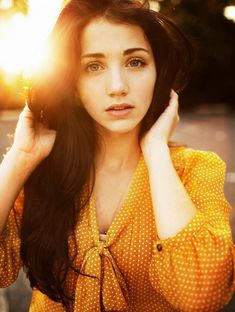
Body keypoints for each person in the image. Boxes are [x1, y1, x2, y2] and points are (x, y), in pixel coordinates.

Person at [0, 0, 234, 311]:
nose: (117, 87)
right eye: (93, 66)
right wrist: (21, 156)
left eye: (135, 62)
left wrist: (156, 152)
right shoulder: (42, 170)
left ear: (157, 73)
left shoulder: (196, 169)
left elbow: (203, 294)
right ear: (72, 86)